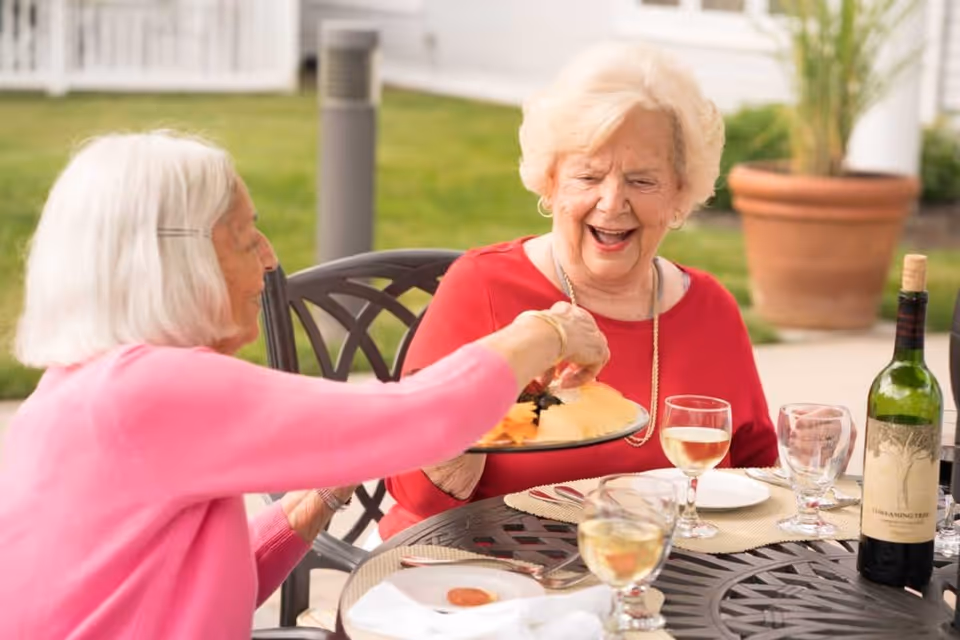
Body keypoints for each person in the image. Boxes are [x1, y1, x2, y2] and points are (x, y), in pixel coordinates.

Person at [0, 131, 609, 639]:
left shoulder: (82, 389)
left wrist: (320, 496)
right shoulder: (147, 391)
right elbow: (425, 419)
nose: (269, 259)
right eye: (244, 237)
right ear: (173, 267)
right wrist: (546, 331)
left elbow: (206, 582)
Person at [378, 41, 782, 541]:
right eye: (588, 175)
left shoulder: (711, 309)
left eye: (642, 180)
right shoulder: (483, 287)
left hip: (658, 580)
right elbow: (414, 493)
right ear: (550, 184)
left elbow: (756, 476)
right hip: (487, 577)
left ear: (680, 193)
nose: (612, 204)